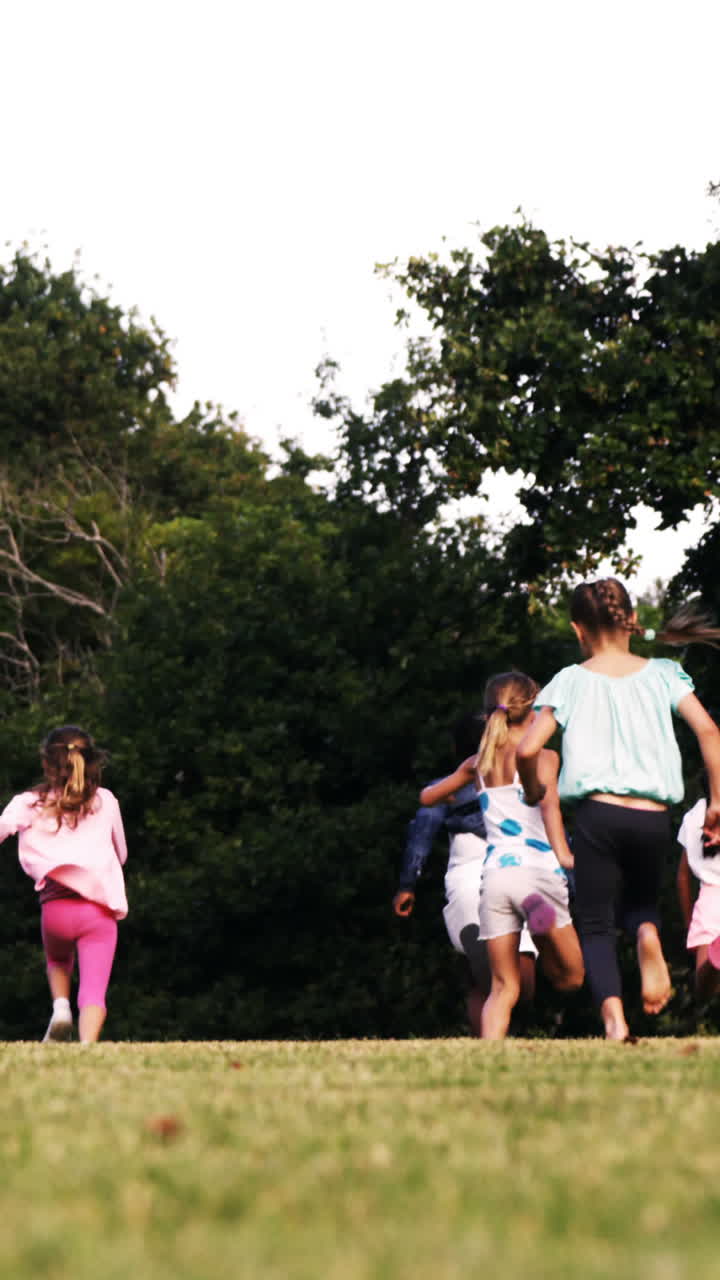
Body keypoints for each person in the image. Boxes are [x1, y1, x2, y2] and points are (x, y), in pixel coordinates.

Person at [516, 577, 720, 1041]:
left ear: (577, 630)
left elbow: (528, 751)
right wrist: (717, 803)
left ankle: (614, 1021)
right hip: (651, 816)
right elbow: (710, 733)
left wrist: (531, 789)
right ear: (629, 621)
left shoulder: (569, 681)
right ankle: (648, 935)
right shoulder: (664, 674)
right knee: (642, 904)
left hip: (597, 815)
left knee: (595, 921)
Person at [422, 673, 583, 1040]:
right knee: (571, 978)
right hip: (538, 871)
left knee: (502, 988)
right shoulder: (546, 757)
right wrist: (565, 854)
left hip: (494, 878)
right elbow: (550, 808)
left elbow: (427, 797)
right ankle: (539, 924)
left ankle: (490, 1055)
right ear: (535, 711)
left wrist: (452, 793)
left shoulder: (478, 762)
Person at [393, 712, 537, 1035]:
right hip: (499, 874)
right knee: (512, 981)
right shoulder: (513, 780)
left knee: (488, 982)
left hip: (476, 877)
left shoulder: (455, 786)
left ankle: (490, 1040)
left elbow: (422, 830)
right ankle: (496, 1039)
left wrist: (407, 885)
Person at [0, 725, 128, 1044]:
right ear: (91, 761)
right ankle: (86, 1046)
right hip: (97, 911)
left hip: (55, 910)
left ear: (46, 764)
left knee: (58, 960)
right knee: (94, 990)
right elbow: (122, 853)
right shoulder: (107, 802)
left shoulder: (28, 802)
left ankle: (60, 1007)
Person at [677, 779, 720, 1003]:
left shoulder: (693, 817)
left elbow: (683, 877)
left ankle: (714, 964)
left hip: (709, 900)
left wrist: (688, 923)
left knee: (704, 991)